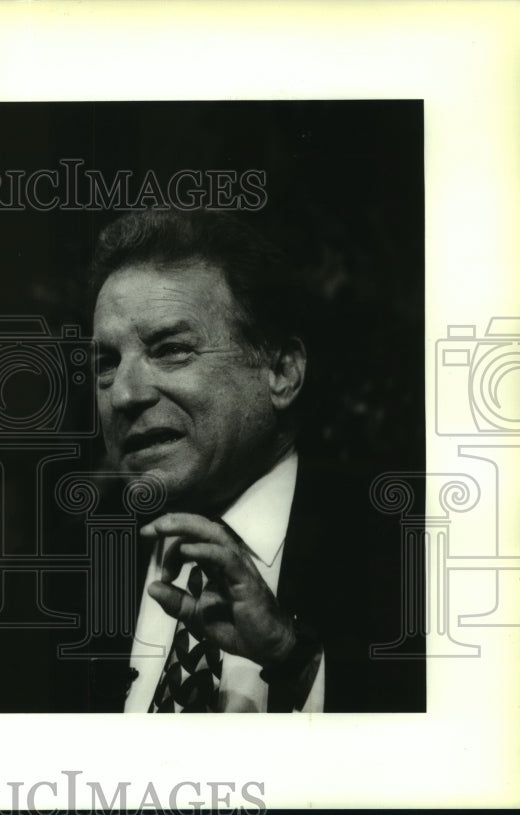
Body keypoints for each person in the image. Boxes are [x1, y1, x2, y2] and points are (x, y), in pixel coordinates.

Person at [85, 209, 425, 713]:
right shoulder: (70, 567)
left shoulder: (408, 552)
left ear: (282, 372)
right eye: (107, 363)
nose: (125, 395)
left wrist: (296, 661)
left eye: (171, 349)